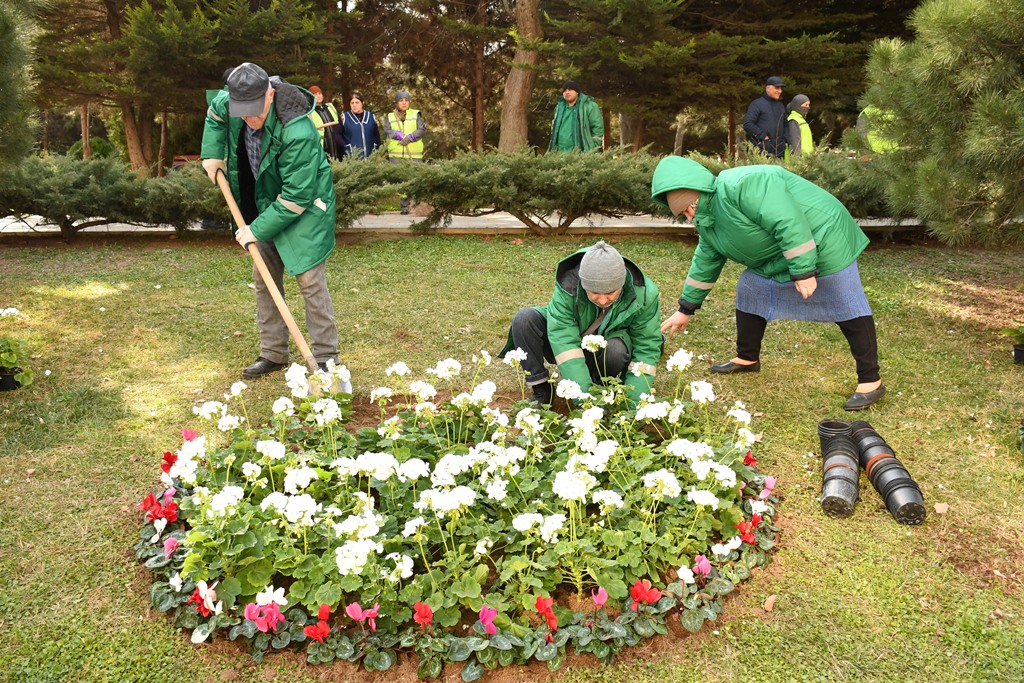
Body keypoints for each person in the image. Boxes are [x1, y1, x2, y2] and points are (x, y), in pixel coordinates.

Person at [651, 156, 886, 411]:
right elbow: (705, 262)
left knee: (844, 299)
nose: (690, 215)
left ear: (702, 189)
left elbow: (788, 221)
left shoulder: (744, 184)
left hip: (823, 236)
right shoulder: (708, 220)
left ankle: (870, 380)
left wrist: (804, 270)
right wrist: (685, 309)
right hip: (779, 253)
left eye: (691, 205)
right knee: (751, 287)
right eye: (684, 212)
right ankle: (747, 357)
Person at [200, 62, 340, 379]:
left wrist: (254, 231)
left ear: (271, 94)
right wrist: (212, 155)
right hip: (264, 202)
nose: (250, 119)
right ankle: (274, 354)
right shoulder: (231, 101)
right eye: (243, 112)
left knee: (309, 281)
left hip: (306, 207)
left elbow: (296, 197)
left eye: (255, 111)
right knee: (264, 279)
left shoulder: (298, 130)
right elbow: (215, 114)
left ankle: (327, 358)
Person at [500, 241, 662, 406]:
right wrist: (585, 401)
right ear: (583, 284)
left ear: (622, 283)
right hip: (569, 341)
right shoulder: (567, 287)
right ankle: (542, 389)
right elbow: (565, 343)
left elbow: (646, 346)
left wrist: (635, 406)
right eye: (594, 293)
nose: (603, 300)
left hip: (607, 350)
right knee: (524, 319)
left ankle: (601, 386)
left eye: (610, 293)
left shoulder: (644, 294)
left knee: (615, 350)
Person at [382, 90, 425, 214]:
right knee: (402, 182)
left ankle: (416, 205)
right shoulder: (390, 116)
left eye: (406, 100)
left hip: (414, 154)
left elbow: (421, 129)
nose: (404, 103)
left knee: (415, 180)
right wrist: (397, 134)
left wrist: (411, 137)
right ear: (397, 102)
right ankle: (405, 207)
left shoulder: (416, 114)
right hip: (396, 155)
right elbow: (387, 130)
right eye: (401, 100)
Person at [547, 80, 604, 153]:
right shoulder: (559, 107)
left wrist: (593, 147)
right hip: (560, 154)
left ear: (577, 92)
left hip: (582, 153)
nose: (567, 92)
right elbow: (554, 127)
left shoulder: (589, 106)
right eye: (564, 90)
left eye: (570, 90)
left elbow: (597, 127)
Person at [743, 76, 788, 158]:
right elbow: (748, 124)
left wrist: (783, 141)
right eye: (777, 88)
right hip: (760, 153)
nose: (780, 91)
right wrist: (763, 137)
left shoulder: (781, 106)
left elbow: (785, 125)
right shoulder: (757, 104)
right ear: (768, 88)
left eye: (781, 88)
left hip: (779, 152)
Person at [340, 90, 381, 160]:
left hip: (371, 155)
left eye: (357, 102)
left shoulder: (371, 117)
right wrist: (346, 146)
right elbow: (336, 134)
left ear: (362, 103)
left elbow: (376, 135)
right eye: (352, 103)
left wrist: (378, 150)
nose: (354, 105)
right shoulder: (344, 117)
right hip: (352, 157)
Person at [308, 85, 344, 161]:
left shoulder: (330, 106)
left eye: (319, 93)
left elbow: (340, 124)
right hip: (323, 148)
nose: (318, 96)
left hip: (337, 146)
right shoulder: (309, 112)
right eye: (315, 94)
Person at [785, 94, 812, 159]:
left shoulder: (801, 119)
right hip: (798, 162)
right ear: (798, 105)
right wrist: (797, 161)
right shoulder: (793, 120)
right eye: (805, 105)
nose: (808, 107)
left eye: (808, 105)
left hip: (806, 159)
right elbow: (795, 143)